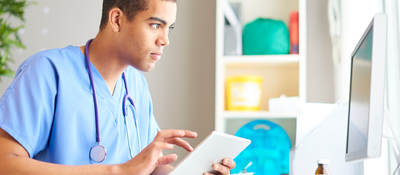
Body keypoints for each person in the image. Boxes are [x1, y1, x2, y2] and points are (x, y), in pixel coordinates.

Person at [0, 0, 236, 174]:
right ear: (116, 19)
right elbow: (5, 163)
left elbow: (147, 169)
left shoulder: (135, 84)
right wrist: (115, 172)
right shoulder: (47, 71)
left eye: (169, 28)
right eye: (156, 25)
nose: (165, 40)